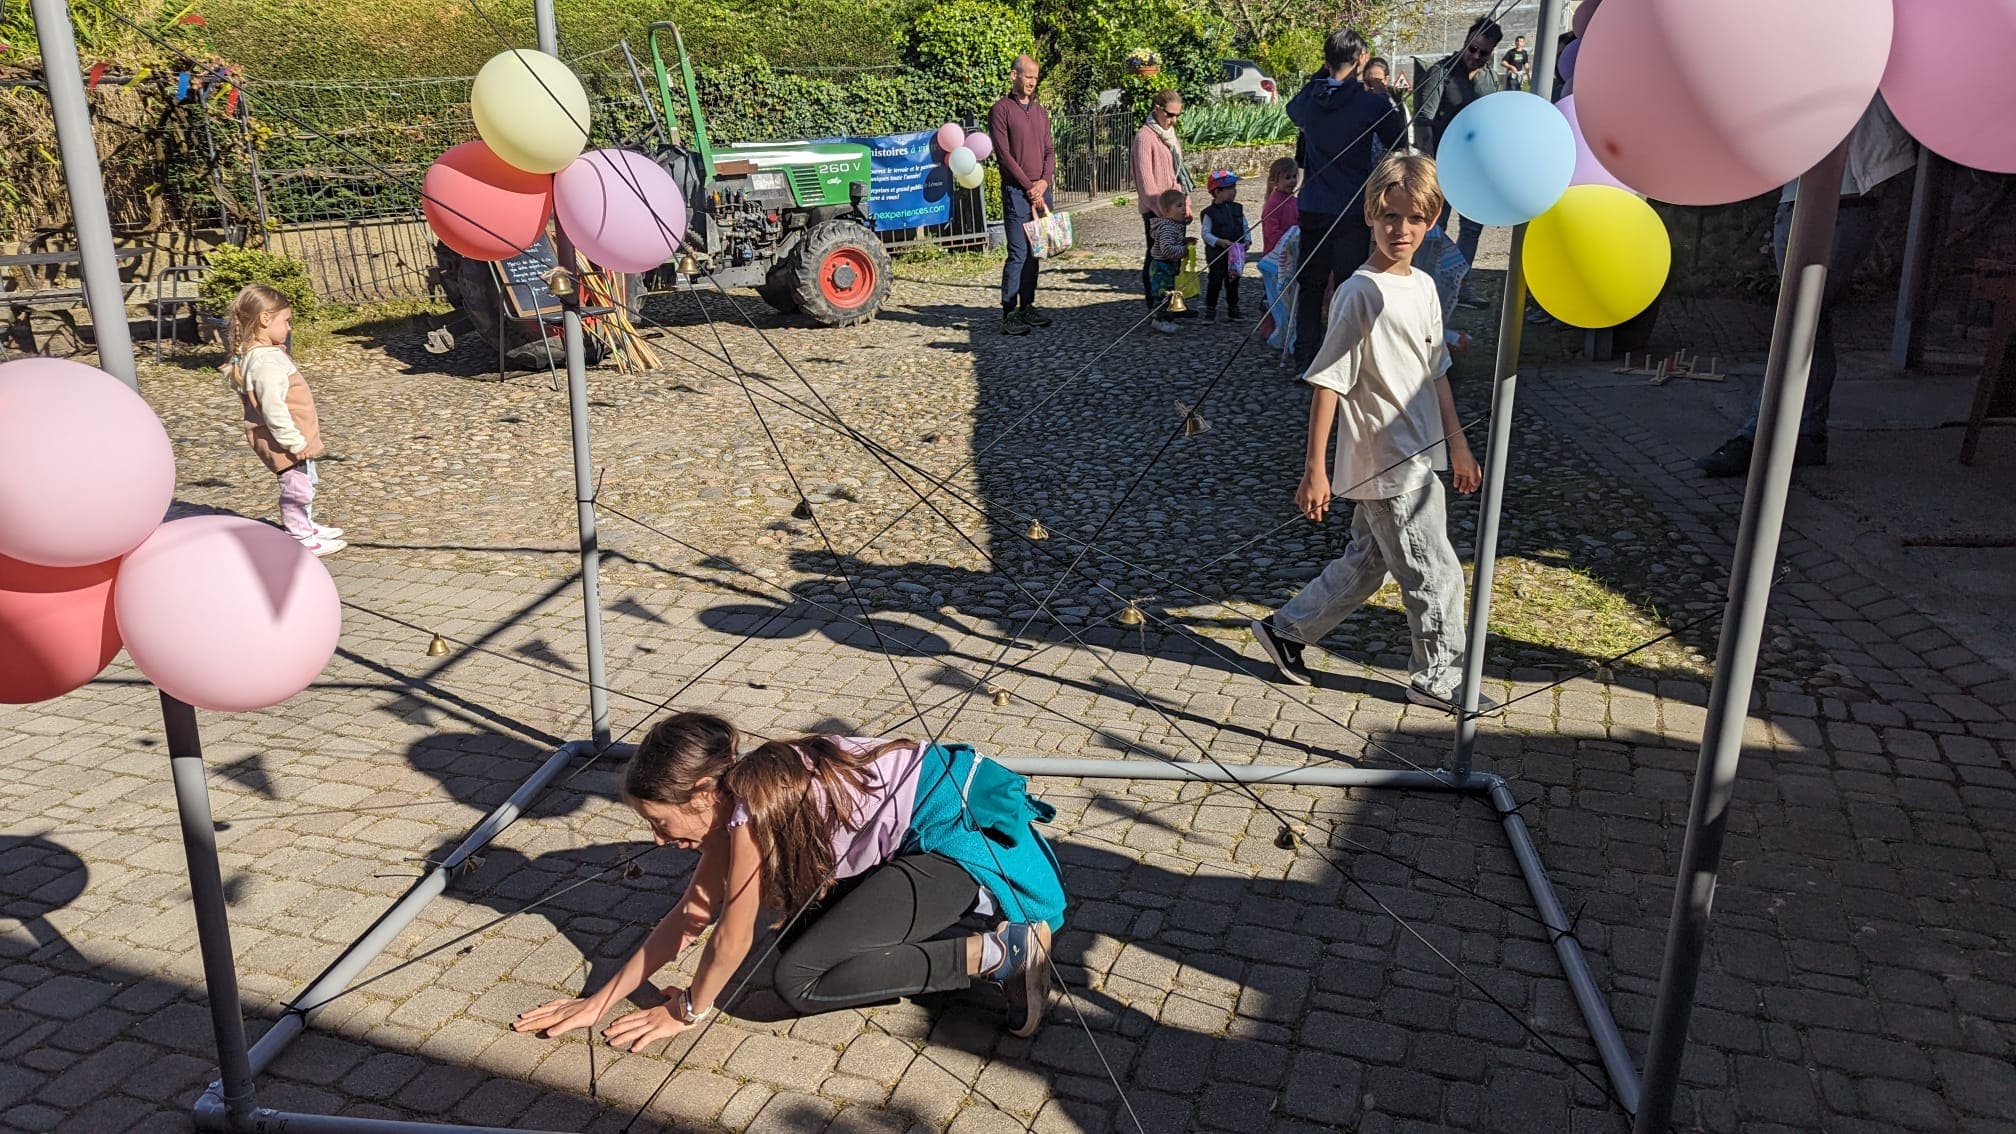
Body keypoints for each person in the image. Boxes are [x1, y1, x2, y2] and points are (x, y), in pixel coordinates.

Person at [512, 713, 1069, 1047]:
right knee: (798, 939)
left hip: (962, 844)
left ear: (705, 792)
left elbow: (729, 938)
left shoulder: (748, 811)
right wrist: (601, 999)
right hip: (925, 843)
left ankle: (1003, 954)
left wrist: (689, 1010)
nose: (658, 840)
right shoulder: (735, 799)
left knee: (798, 977)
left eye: (660, 822)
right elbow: (692, 915)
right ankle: (968, 942)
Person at [1248, 153, 1493, 713]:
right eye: (1389, 217)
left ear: (1431, 221)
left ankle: (1288, 631)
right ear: (1369, 215)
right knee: (1434, 570)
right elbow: (1328, 382)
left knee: (1370, 560)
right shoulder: (1360, 292)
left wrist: (1456, 442)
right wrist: (1316, 469)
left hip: (1422, 450)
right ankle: (1437, 676)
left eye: (1413, 219)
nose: (1400, 230)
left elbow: (1436, 372)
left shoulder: (1426, 288)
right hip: (1388, 458)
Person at [1696, 95, 1917, 477]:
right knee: (1813, 324)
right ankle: (1809, 434)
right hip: (1797, 203)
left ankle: (1757, 437)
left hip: (1840, 205)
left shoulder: (1852, 58)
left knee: (1797, 323)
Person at [1286, 29, 1407, 374]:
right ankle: (1343, 359)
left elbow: (1292, 110)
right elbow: (1396, 137)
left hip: (1313, 204)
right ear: (1361, 60)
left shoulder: (1310, 98)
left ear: (1326, 62)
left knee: (1310, 285)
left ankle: (1305, 357)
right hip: (1351, 205)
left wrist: (1322, 74)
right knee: (1347, 286)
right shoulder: (1371, 103)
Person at [224, 284, 344, 556]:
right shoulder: (265, 362)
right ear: (265, 319)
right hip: (286, 441)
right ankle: (299, 536)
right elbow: (273, 408)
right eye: (286, 321)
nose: (289, 328)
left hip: (296, 439)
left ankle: (307, 524)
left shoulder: (267, 354)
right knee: (296, 489)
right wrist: (293, 441)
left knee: (307, 481)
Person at [1413, 16, 1503, 304]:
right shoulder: (1441, 71)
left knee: (1472, 229)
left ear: (1493, 53)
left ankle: (1460, 287)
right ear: (1465, 42)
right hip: (1442, 164)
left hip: (1475, 167)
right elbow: (1424, 119)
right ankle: (1423, 285)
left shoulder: (1491, 79)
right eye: (1472, 48)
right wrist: (1428, 166)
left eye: (1483, 52)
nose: (1475, 56)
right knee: (1434, 226)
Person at [989, 55, 1057, 337]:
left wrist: (1043, 181)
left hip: (1041, 192)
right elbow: (1004, 156)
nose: (1032, 82)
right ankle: (1010, 312)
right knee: (1018, 254)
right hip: (1017, 193)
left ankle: (1028, 305)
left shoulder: (1040, 112)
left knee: (1035, 254)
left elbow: (1049, 151)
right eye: (1028, 76)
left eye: (1035, 77)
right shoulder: (1001, 110)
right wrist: (1028, 186)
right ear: (1013, 75)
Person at [1130, 89, 1195, 309]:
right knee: (1157, 260)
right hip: (1157, 212)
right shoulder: (1144, 138)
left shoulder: (1171, 136)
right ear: (1157, 109)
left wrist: (1185, 205)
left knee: (1174, 261)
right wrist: (1166, 213)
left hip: (1175, 209)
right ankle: (1156, 307)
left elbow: (1180, 175)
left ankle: (1173, 303)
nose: (1173, 119)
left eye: (1177, 115)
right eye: (1169, 114)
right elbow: (1146, 184)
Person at [1257, 157, 1301, 339]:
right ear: (1275, 181)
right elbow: (1271, 232)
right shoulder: (1274, 204)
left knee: (1287, 296)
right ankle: (1271, 329)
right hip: (1276, 256)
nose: (1292, 181)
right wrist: (1287, 241)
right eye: (1287, 178)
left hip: (1290, 253)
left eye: (1294, 177)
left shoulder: (1292, 200)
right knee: (1276, 297)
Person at [1200, 170, 1251, 322]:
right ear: (1217, 192)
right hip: (1217, 254)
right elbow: (1206, 233)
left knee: (1233, 281)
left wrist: (1247, 239)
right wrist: (1218, 241)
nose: (1234, 191)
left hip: (1235, 253)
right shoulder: (1209, 213)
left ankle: (1233, 309)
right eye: (1230, 188)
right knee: (1215, 280)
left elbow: (1245, 225)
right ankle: (1210, 309)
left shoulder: (1238, 209)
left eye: (1234, 187)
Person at [1146, 187, 1192, 334]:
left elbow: (1174, 243)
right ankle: (1159, 319)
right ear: (1166, 210)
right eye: (1179, 206)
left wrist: (1184, 241)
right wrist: (1185, 250)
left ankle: (1168, 318)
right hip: (1162, 266)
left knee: (1171, 292)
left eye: (1184, 205)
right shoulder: (1168, 228)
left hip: (1168, 265)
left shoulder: (1174, 226)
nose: (1183, 209)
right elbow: (1168, 249)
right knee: (1163, 293)